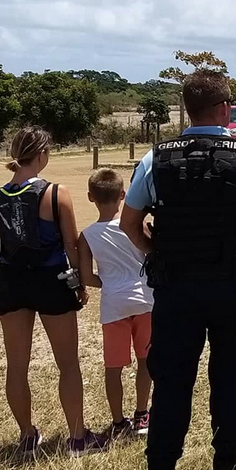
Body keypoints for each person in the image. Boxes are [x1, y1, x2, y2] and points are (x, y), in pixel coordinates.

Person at [121, 70, 236, 470]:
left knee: (171, 383)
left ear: (188, 110)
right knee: (229, 379)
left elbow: (129, 224)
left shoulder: (155, 159)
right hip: (232, 289)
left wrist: (158, 252)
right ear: (225, 108)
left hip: (175, 290)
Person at [0, 126, 107, 458]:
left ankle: (26, 434)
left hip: (11, 282)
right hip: (52, 280)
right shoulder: (56, 193)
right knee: (67, 364)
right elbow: (71, 243)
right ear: (41, 155)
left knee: (17, 366)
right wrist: (80, 282)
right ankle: (78, 437)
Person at [78, 168, 153, 440]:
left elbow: (86, 276)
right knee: (146, 360)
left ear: (90, 197)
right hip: (145, 301)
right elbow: (152, 255)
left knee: (114, 366)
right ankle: (143, 413)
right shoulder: (138, 225)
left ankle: (118, 421)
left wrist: (108, 283)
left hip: (113, 306)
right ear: (123, 195)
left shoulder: (87, 236)